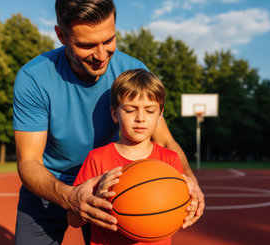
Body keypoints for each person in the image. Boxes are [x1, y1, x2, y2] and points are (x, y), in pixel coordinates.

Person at [12, 0, 204, 244]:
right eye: (87, 45)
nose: (101, 55)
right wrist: (72, 196)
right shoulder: (34, 78)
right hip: (49, 184)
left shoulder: (132, 71)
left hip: (112, 182)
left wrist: (190, 180)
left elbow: (164, 139)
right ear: (61, 35)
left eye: (109, 40)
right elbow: (28, 161)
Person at [68, 69, 196, 245]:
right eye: (130, 110)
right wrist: (96, 199)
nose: (140, 118)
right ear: (114, 114)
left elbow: (180, 211)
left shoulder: (170, 160)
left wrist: (189, 209)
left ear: (160, 116)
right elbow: (73, 220)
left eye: (150, 111)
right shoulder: (97, 158)